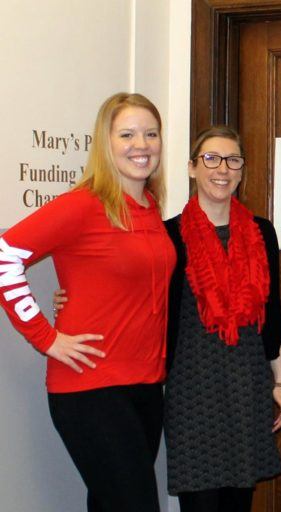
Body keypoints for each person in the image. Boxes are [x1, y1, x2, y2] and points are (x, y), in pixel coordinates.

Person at [0, 93, 173, 511]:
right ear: (105, 142)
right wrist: (46, 338)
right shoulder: (83, 204)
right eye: (128, 134)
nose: (142, 144)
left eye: (151, 134)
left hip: (147, 386)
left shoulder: (150, 206)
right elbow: (6, 257)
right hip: (91, 387)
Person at [162, 126, 281, 511]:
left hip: (246, 386)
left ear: (241, 169)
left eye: (233, 160)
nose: (222, 169)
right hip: (191, 392)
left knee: (239, 502)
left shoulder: (261, 232)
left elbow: (273, 312)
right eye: (211, 158)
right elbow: (139, 302)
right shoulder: (167, 236)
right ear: (191, 168)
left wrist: (280, 381)